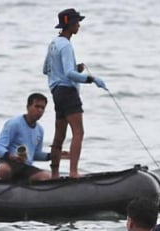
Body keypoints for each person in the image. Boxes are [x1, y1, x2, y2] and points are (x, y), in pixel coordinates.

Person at [42, 8, 108, 179]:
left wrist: (72, 67)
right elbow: (70, 74)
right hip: (68, 92)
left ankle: (54, 174)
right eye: (77, 22)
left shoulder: (54, 44)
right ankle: (73, 172)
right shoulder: (66, 45)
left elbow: (46, 69)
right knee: (78, 132)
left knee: (59, 135)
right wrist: (91, 78)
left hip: (56, 91)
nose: (79, 25)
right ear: (70, 24)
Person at [0, 93, 52, 182]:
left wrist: (52, 156)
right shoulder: (14, 123)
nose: (40, 110)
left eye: (42, 108)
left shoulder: (40, 130)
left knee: (46, 176)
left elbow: (35, 154)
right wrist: (10, 156)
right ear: (28, 107)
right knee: (4, 170)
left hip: (25, 166)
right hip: (8, 162)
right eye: (37, 106)